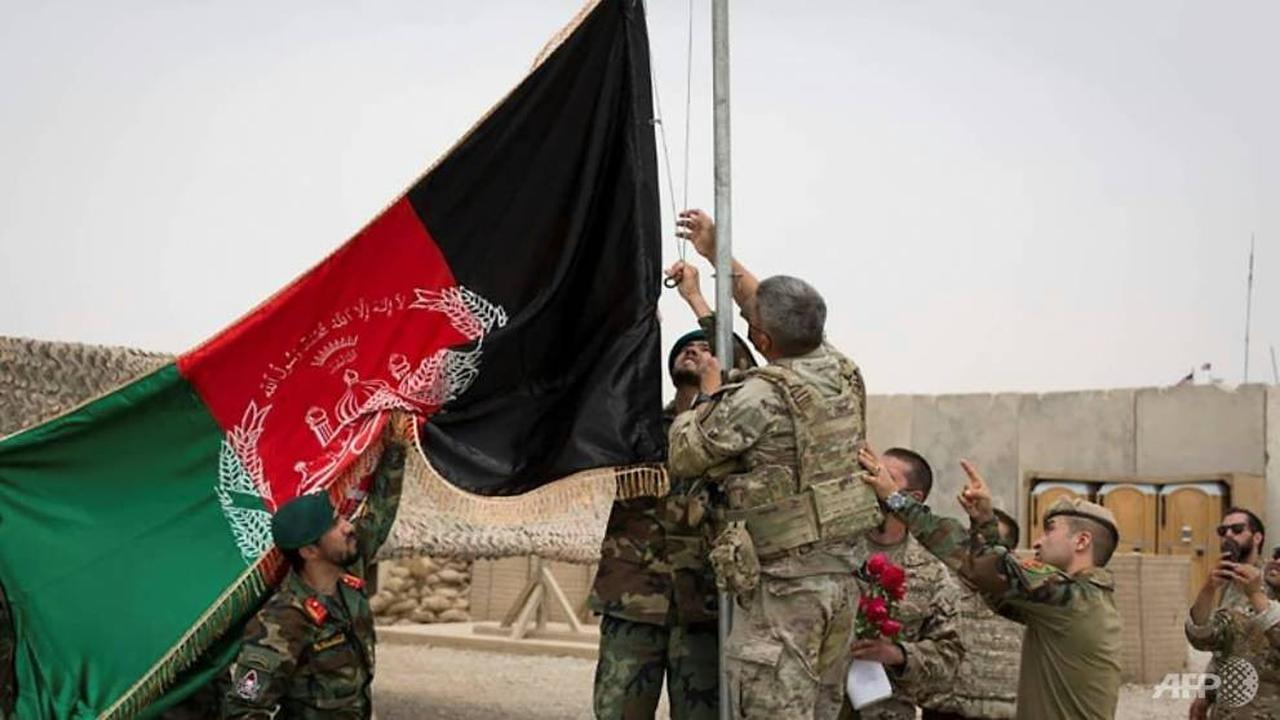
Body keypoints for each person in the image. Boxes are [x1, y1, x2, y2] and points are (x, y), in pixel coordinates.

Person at [668, 209, 878, 718]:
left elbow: (686, 453)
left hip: (784, 590)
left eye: (752, 327)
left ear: (761, 343)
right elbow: (769, 306)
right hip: (841, 577)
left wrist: (709, 395)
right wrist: (716, 249)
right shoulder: (841, 371)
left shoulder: (756, 398)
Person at [590, 270, 756, 720]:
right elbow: (604, 379)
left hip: (704, 605)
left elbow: (746, 363)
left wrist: (696, 298)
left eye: (705, 348)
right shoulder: (636, 429)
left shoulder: (732, 432)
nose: (695, 351)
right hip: (633, 601)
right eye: (686, 348)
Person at [858, 448, 1121, 720]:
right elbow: (994, 589)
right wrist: (984, 522)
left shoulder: (1071, 599)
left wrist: (895, 499)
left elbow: (987, 570)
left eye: (1050, 529)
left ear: (1082, 541)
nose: (1039, 541)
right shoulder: (1079, 600)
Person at [222, 418, 407, 719]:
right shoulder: (283, 621)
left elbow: (381, 510)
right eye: (334, 525)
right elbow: (242, 710)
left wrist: (397, 444)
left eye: (341, 518)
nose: (348, 526)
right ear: (309, 551)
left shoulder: (349, 578)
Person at [842, 448, 963, 720]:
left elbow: (949, 657)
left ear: (913, 498)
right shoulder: (836, 553)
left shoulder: (932, 570)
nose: (873, 481)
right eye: (872, 472)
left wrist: (898, 655)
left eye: (886, 476)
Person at [916, 507, 1022, 720]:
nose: (979, 553)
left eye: (989, 547)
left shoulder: (1024, 597)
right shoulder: (939, 585)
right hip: (944, 711)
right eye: (975, 543)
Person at [1186, 508, 1280, 719]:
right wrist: (1206, 693)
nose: (1228, 535)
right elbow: (1216, 645)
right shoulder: (1229, 586)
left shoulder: (1275, 576)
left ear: (1257, 538)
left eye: (1237, 529)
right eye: (1223, 530)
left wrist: (1256, 594)